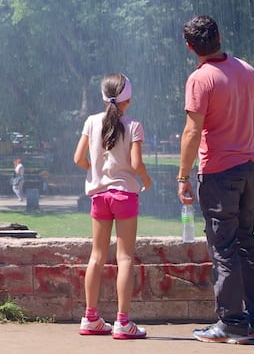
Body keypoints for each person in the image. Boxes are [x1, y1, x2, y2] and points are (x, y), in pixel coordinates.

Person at [176, 15, 254, 344]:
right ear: (219, 36)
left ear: (189, 47)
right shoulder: (247, 70)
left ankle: (231, 322)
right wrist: (247, 149)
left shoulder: (200, 79)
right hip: (249, 169)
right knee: (247, 243)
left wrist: (182, 176)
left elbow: (192, 131)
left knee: (224, 248)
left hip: (219, 173)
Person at [73, 73, 153, 339]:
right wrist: (147, 180)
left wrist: (93, 170)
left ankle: (90, 318)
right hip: (124, 195)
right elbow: (135, 164)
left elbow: (78, 158)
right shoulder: (134, 126)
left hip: (99, 196)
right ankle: (123, 322)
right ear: (128, 99)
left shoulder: (91, 122)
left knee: (96, 257)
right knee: (125, 257)